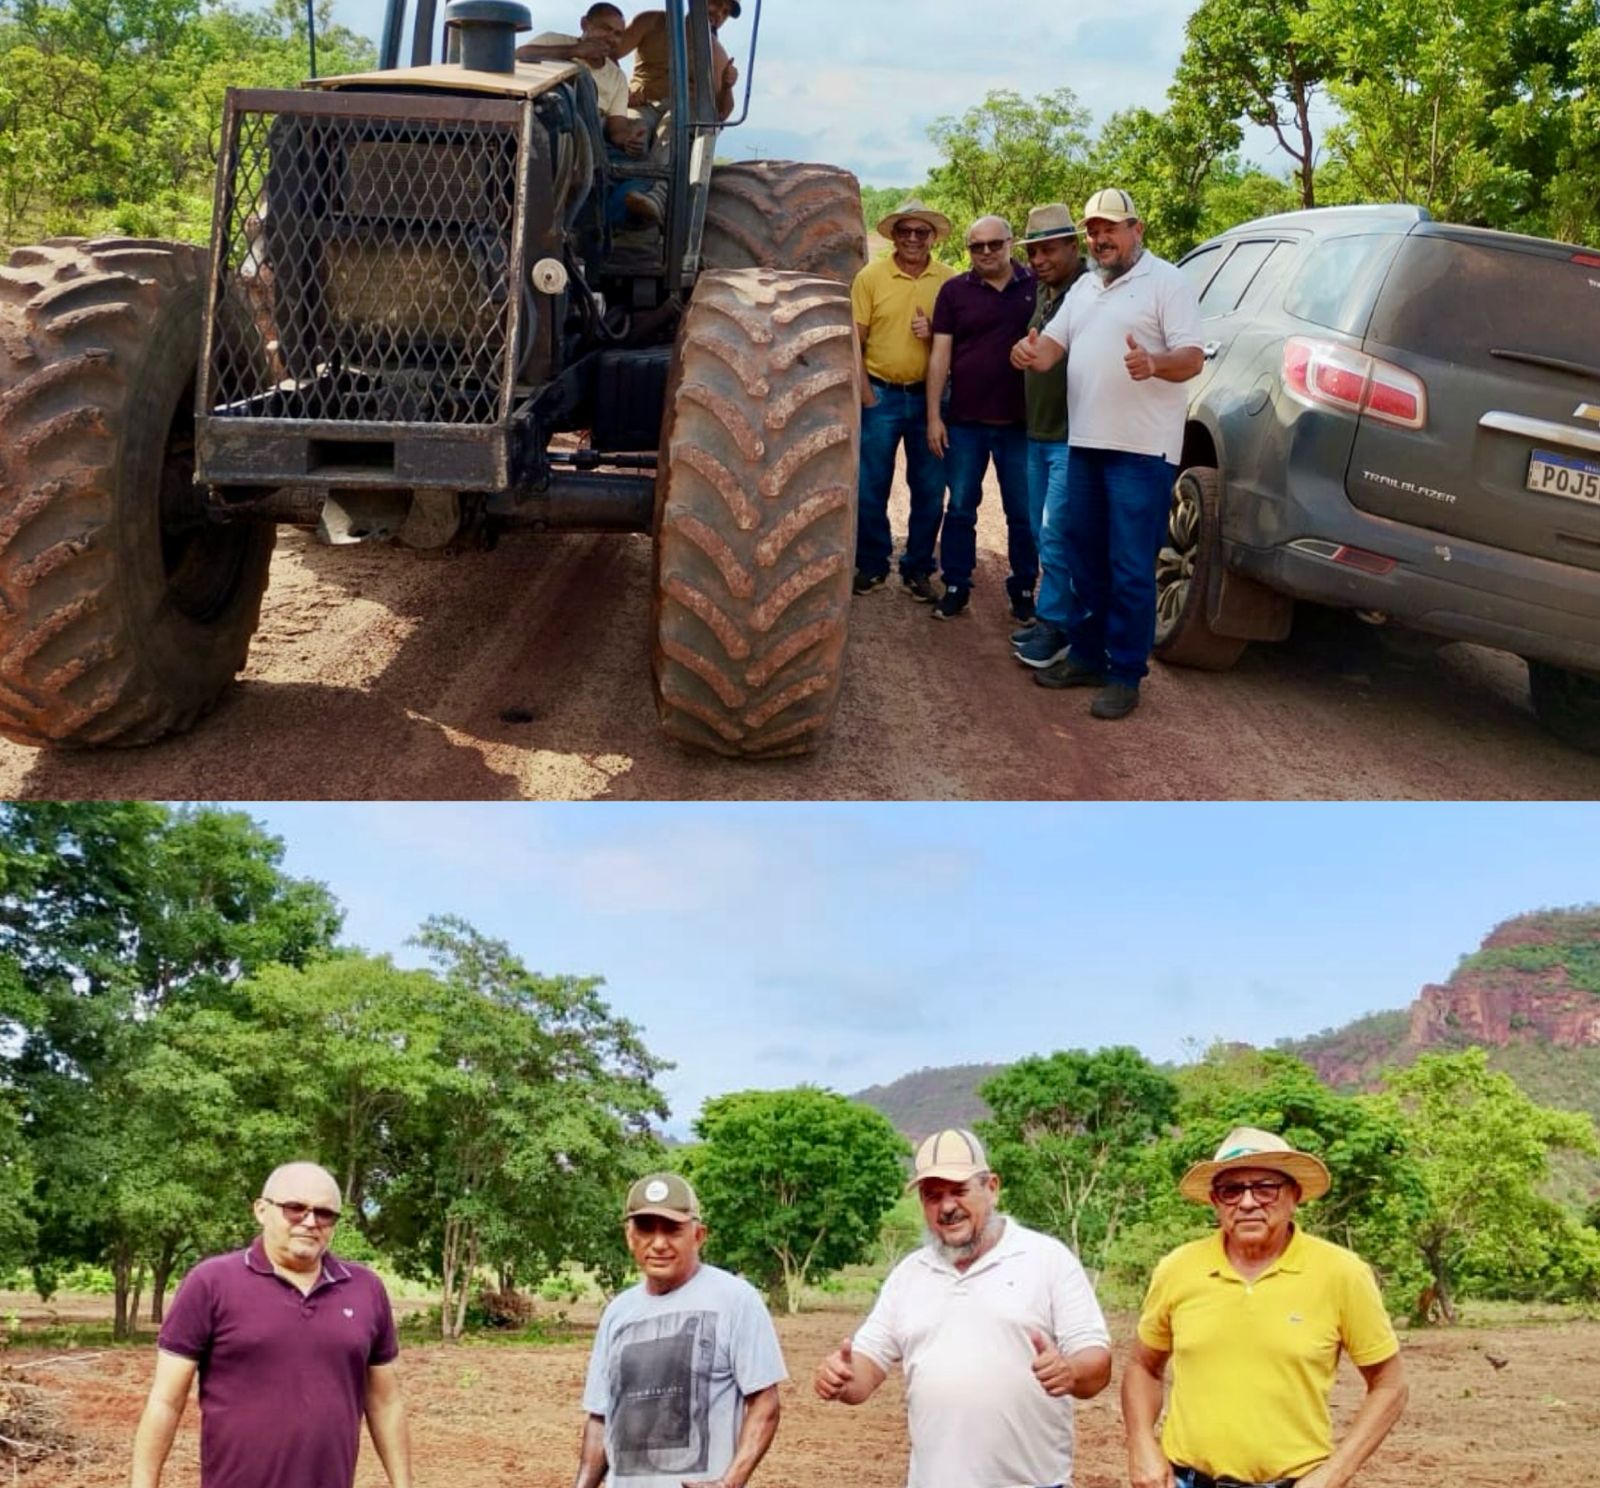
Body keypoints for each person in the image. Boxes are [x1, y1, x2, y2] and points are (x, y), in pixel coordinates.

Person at [813, 1128, 1112, 1488]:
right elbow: (866, 1369)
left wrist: (1071, 1371)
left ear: (992, 1187)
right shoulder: (909, 1275)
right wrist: (842, 1379)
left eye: (959, 1190)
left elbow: (1097, 1363)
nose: (947, 1207)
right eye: (932, 1196)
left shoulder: (1047, 1260)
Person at [1122, 1127, 1409, 1488]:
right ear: (1215, 1202)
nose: (1247, 1203)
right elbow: (1143, 1366)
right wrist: (1140, 1443)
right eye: (1231, 1191)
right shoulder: (1178, 1268)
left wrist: (1334, 1474)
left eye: (1265, 1188)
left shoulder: (1341, 1273)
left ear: (1294, 1195)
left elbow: (1390, 1385)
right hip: (1186, 1480)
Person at [1010, 188, 1204, 719]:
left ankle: (1125, 673)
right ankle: (1088, 656)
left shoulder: (1167, 282)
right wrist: (1027, 352)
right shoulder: (1085, 288)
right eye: (1093, 231)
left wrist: (1154, 364)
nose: (1100, 239)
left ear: (1136, 229)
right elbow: (1050, 349)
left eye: (1110, 229)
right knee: (1085, 558)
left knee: (1130, 566)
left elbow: (1192, 358)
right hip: (1086, 445)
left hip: (1142, 452)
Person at [130, 1162, 412, 1488]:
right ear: (261, 1210)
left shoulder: (365, 1289)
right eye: (295, 1208)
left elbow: (385, 1403)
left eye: (324, 1213)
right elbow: (166, 1402)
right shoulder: (211, 1283)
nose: (310, 1222)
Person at [576, 1171, 786, 1488]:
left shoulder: (736, 1300)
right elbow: (600, 1418)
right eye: (646, 1229)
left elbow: (765, 1403)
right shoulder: (618, 1313)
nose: (659, 1243)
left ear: (698, 1235)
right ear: (629, 1236)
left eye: (673, 1229)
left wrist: (729, 1483)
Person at [925, 217, 1039, 622]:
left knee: (1022, 513)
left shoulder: (1035, 287)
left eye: (994, 244)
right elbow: (939, 355)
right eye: (977, 246)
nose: (986, 252)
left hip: (1020, 425)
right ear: (968, 250)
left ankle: (1023, 589)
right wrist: (934, 416)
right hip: (965, 422)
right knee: (960, 508)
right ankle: (956, 585)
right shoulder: (954, 291)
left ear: (1011, 243)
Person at [849, 200, 957, 601]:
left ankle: (918, 568)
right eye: (905, 231)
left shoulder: (949, 281)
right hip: (881, 396)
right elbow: (854, 341)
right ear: (894, 235)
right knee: (870, 486)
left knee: (929, 488)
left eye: (921, 232)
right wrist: (866, 395)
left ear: (933, 237)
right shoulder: (870, 278)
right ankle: (872, 564)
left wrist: (933, 332)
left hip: (931, 400)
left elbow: (959, 344)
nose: (913, 238)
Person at [1010, 203, 1088, 654]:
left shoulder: (1089, 290)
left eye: (1049, 250)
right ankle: (1053, 619)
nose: (1039, 260)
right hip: (1038, 434)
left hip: (1070, 436)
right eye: (1033, 252)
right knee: (1042, 534)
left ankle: (1058, 627)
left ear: (1073, 246)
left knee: (1058, 535)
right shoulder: (1045, 292)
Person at [516, 3, 660, 226]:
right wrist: (574, 51)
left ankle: (602, 221)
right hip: (544, 133)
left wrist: (630, 138)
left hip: (593, 144)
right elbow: (519, 55)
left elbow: (617, 130)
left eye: (618, 34)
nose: (611, 38)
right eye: (605, 28)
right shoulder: (553, 42)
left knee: (648, 173)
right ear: (585, 24)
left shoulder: (616, 77)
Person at [619, 0, 741, 127]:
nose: (719, 14)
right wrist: (623, 94)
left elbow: (722, 112)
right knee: (631, 128)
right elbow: (610, 55)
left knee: (675, 127)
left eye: (725, 12)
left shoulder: (717, 54)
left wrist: (727, 86)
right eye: (715, 3)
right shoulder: (651, 23)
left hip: (682, 114)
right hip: (642, 106)